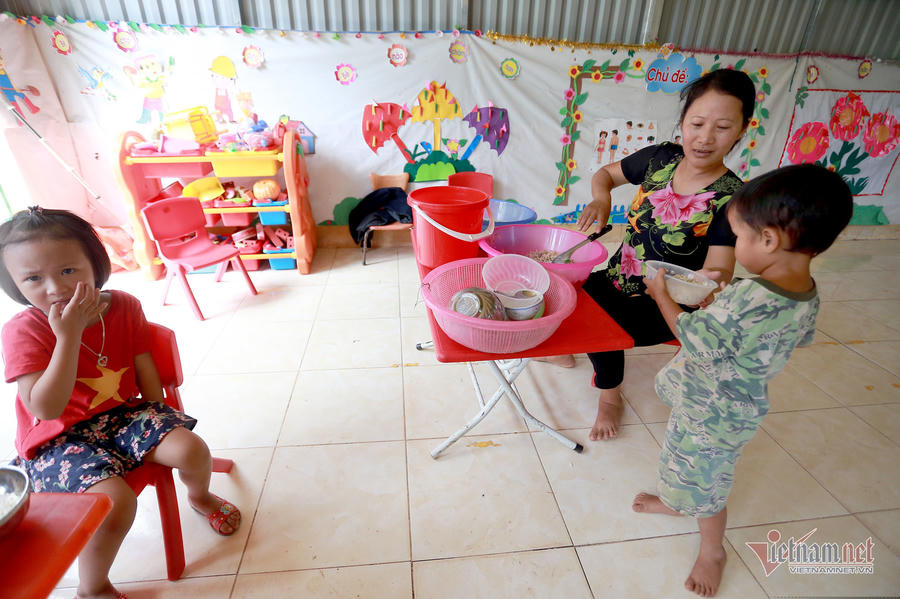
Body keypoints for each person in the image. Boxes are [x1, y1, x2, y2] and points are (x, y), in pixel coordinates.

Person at [633, 164, 852, 596]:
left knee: (705, 485)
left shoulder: (751, 298)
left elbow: (693, 337)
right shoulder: (803, 290)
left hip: (713, 413)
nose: (734, 246)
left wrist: (662, 295)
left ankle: (712, 550)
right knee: (685, 465)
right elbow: (781, 334)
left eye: (738, 237)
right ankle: (677, 500)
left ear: (768, 240)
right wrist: (720, 301)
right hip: (728, 404)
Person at [0, 207, 241, 599]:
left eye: (68, 270)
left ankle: (200, 496)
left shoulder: (124, 305)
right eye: (33, 278)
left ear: (95, 264)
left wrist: (160, 420)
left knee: (192, 449)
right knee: (115, 503)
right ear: (13, 284)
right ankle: (93, 588)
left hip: (121, 416)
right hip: (57, 438)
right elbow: (46, 409)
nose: (55, 288)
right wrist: (68, 336)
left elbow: (144, 367)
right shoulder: (22, 331)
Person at [541, 69, 757, 442]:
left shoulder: (733, 199)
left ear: (741, 131)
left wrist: (711, 282)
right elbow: (606, 175)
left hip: (665, 301)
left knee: (602, 327)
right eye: (697, 124)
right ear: (683, 121)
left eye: (722, 127)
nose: (705, 138)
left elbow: (720, 267)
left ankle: (610, 395)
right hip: (617, 276)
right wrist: (601, 199)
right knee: (564, 296)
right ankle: (567, 352)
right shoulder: (660, 159)